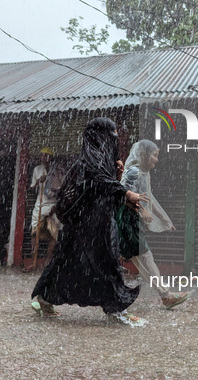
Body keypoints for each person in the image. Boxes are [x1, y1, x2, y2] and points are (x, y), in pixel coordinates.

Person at [31, 117, 147, 326]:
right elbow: (100, 182)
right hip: (85, 225)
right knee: (75, 263)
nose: (113, 139)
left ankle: (114, 307)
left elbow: (105, 187)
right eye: (109, 135)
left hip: (99, 222)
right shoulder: (87, 164)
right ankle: (47, 297)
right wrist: (126, 192)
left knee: (98, 263)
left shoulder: (101, 162)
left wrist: (117, 176)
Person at [117, 140, 190, 309]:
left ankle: (165, 295)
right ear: (143, 155)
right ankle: (166, 296)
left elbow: (150, 197)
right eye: (154, 155)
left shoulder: (144, 173)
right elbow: (121, 195)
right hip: (126, 221)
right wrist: (141, 210)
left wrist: (164, 219)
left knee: (142, 259)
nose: (156, 160)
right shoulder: (134, 172)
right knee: (145, 257)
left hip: (132, 221)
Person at [24, 147, 62, 272]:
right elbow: (32, 189)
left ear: (51, 157)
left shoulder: (58, 170)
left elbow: (62, 190)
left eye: (46, 155)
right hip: (40, 204)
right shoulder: (37, 170)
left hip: (53, 205)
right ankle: (33, 261)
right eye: (42, 155)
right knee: (35, 233)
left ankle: (47, 262)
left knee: (53, 235)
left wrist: (56, 206)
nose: (43, 158)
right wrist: (39, 182)